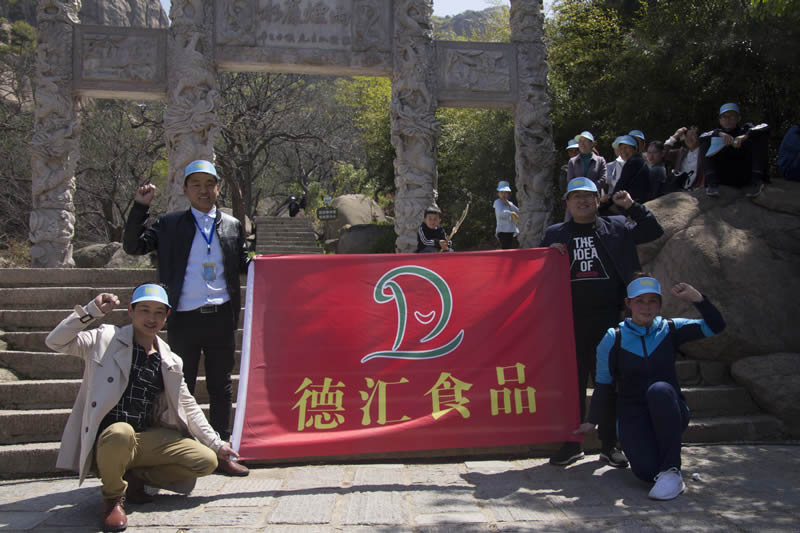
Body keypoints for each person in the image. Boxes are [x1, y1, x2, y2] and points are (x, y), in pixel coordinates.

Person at [45, 284, 240, 531]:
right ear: (131, 311)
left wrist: (216, 443)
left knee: (205, 461)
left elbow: (187, 404)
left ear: (167, 316)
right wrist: (92, 310)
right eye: (145, 310)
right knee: (120, 432)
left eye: (159, 312)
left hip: (143, 438)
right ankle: (113, 498)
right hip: (108, 440)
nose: (151, 318)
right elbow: (55, 342)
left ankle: (134, 478)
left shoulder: (170, 359)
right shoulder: (104, 339)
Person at [122, 160, 250, 477]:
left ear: (218, 188)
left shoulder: (232, 225)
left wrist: (275, 266)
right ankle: (185, 451)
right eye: (196, 185)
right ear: (185, 190)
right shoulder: (169, 224)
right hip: (183, 317)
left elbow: (244, 264)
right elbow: (133, 246)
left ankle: (222, 451)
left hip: (221, 316)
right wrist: (140, 207)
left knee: (221, 386)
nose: (203, 191)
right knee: (181, 385)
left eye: (209, 184)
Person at [541, 177, 664, 468]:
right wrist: (549, 254)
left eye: (588, 196)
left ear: (598, 200)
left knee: (607, 381)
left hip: (611, 317)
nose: (582, 201)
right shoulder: (555, 233)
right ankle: (572, 443)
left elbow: (653, 230)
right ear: (568, 203)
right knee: (571, 383)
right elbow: (536, 271)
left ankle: (610, 444)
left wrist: (631, 206)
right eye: (576, 197)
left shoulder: (617, 227)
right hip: (569, 320)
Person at [575, 275, 726, 500]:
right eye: (640, 301)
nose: (646, 307)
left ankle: (672, 470)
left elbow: (716, 326)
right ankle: (662, 466)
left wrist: (698, 299)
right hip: (633, 415)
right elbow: (603, 383)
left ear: (660, 304)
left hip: (669, 408)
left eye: (652, 301)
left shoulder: (671, 329)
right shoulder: (613, 338)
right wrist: (592, 420)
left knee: (660, 390)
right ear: (628, 303)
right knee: (646, 473)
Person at [702, 102, 769, 198]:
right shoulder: (717, 134)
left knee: (758, 138)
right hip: (724, 177)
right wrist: (719, 134)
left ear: (738, 118)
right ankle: (711, 184)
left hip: (745, 175)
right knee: (706, 143)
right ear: (720, 120)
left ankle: (756, 181)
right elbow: (702, 137)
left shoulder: (746, 129)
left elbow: (764, 127)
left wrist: (745, 136)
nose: (728, 119)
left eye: (732, 116)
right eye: (724, 117)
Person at [603, 135, 651, 212]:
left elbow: (622, 184)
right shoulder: (638, 160)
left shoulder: (633, 162)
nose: (623, 151)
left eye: (626, 147)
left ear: (635, 149)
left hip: (636, 202)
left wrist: (609, 199)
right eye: (621, 148)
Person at [664, 125, 704, 190]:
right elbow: (663, 154)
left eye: (692, 135)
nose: (689, 138)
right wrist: (675, 136)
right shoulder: (681, 152)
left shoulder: (704, 152)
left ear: (698, 137)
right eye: (687, 136)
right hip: (679, 191)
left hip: (697, 190)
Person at [494, 180, 520, 249]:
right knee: (505, 247)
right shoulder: (497, 202)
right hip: (502, 230)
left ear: (508, 194)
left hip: (510, 230)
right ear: (498, 194)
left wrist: (509, 205)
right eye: (501, 192)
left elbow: (518, 211)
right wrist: (511, 213)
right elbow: (500, 214)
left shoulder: (510, 203)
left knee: (509, 247)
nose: (503, 194)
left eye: (505, 192)